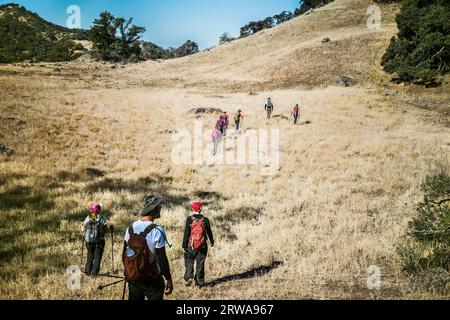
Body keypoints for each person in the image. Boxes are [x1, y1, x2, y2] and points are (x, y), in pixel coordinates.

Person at [122, 195, 173, 300]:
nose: (161, 208)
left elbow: (125, 254)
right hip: (152, 279)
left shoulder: (130, 228)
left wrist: (130, 271)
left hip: (134, 277)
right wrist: (168, 279)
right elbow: (162, 259)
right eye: (159, 206)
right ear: (153, 209)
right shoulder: (157, 230)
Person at [183, 201, 214, 287]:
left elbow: (186, 233)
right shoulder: (205, 220)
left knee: (189, 261)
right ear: (200, 208)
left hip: (191, 245)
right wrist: (212, 241)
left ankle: (189, 277)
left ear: (192, 209)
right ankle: (199, 281)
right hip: (202, 245)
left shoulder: (189, 219)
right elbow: (209, 232)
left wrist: (184, 245)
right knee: (200, 263)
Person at [81, 204, 109, 276]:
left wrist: (82, 226)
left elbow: (82, 230)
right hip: (99, 242)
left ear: (92, 210)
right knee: (97, 257)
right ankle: (94, 273)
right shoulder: (102, 218)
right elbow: (106, 231)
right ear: (99, 210)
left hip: (88, 241)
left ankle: (87, 271)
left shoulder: (88, 217)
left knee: (90, 255)